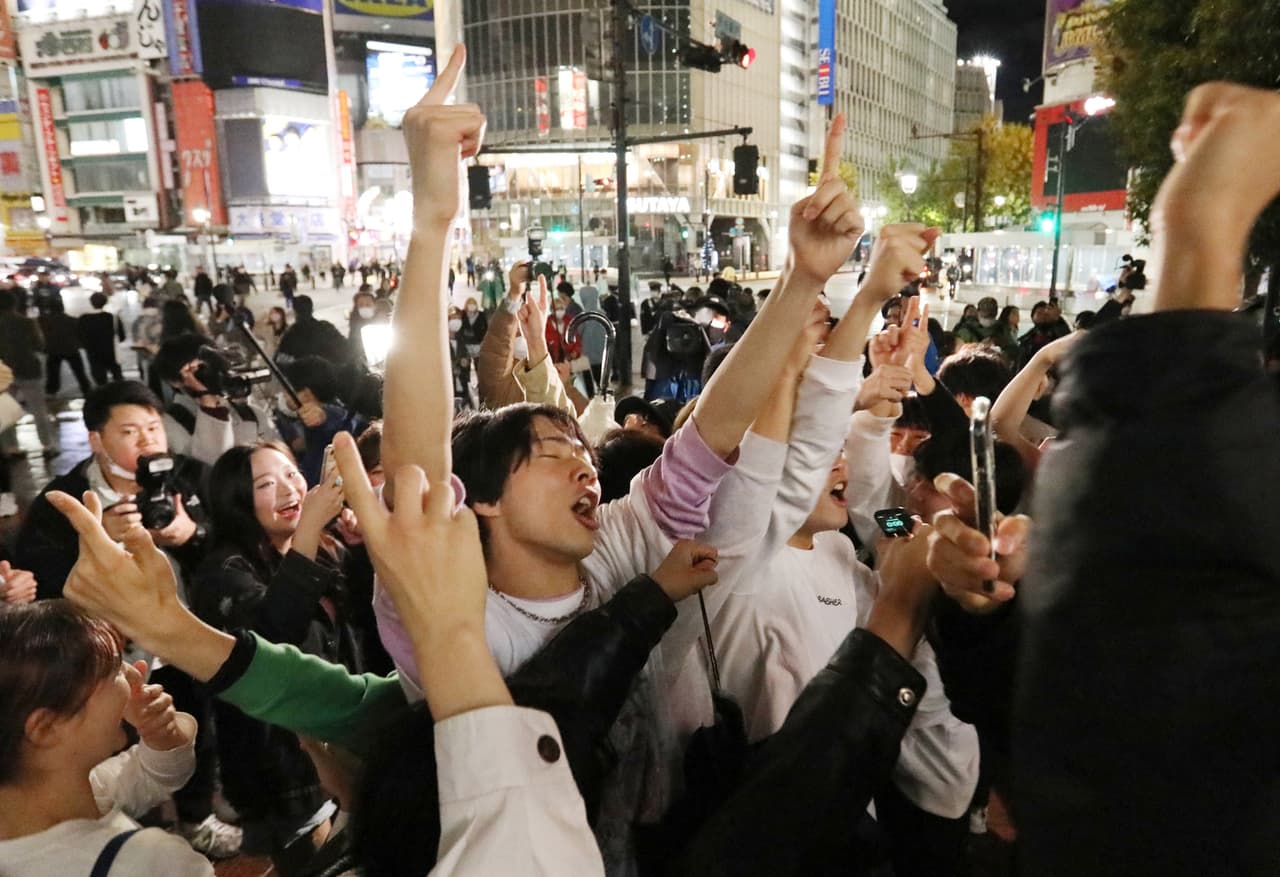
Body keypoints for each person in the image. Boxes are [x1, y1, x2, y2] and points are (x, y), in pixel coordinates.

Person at [376, 77, 869, 869]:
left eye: (583, 450)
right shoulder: (459, 615)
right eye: (552, 452)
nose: (585, 466)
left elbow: (710, 430)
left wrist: (803, 280)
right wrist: (432, 223)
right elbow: (415, 472)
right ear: (485, 502)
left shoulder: (616, 549)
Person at [191, 440, 361, 865]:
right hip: (281, 771)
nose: (289, 489)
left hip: (337, 746)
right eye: (266, 483)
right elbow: (273, 631)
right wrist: (308, 534)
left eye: (291, 474)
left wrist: (361, 545)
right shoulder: (223, 571)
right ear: (237, 501)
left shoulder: (322, 548)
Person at [0, 601, 212, 876]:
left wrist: (161, 735)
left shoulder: (71, 792)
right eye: (113, 670)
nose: (134, 674)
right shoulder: (151, 860)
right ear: (46, 728)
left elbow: (152, 775)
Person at [151, 332, 281, 466]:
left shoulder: (250, 413)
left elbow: (281, 459)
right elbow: (213, 465)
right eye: (198, 369)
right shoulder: (169, 423)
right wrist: (206, 397)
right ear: (174, 382)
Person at [0, 288, 58, 456]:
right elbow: (39, 345)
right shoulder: (27, 322)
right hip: (29, 369)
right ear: (15, 304)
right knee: (38, 409)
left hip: (3, 373)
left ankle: (11, 448)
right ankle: (47, 445)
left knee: (6, 410)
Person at [39, 299, 92, 398]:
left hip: (53, 350)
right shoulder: (72, 320)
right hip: (71, 349)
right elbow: (79, 335)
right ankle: (86, 389)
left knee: (53, 373)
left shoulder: (44, 321)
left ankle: (51, 390)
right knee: (79, 371)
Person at [277, 295, 350, 364]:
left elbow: (280, 360)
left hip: (303, 375)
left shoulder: (291, 333)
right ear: (312, 310)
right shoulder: (326, 327)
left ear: (295, 312)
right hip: (329, 373)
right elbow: (344, 347)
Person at [78, 292, 125, 386]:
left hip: (93, 353)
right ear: (105, 302)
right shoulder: (112, 317)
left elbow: (80, 336)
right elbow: (122, 336)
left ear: (91, 303)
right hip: (111, 352)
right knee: (117, 377)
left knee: (100, 379)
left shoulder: (84, 319)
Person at [346, 287, 380, 365]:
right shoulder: (354, 326)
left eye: (368, 304)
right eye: (361, 305)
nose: (365, 307)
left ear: (374, 305)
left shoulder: (383, 323)